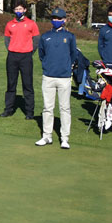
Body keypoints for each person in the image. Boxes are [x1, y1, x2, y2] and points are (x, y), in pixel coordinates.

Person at [36, 8, 77, 149]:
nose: (56, 20)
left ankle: (64, 138)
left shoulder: (70, 36)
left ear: (64, 20)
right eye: (54, 18)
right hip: (48, 76)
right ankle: (47, 136)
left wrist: (67, 67)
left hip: (64, 77)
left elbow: (73, 54)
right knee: (48, 108)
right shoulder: (45, 36)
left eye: (59, 18)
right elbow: (41, 54)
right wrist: (48, 65)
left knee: (64, 108)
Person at [0, 2, 40, 119]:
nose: (18, 10)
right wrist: (11, 49)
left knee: (27, 85)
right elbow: (7, 39)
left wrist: (29, 51)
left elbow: (36, 40)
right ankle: (8, 109)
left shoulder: (31, 24)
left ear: (25, 10)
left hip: (26, 57)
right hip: (12, 56)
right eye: (16, 9)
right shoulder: (9, 24)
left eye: (20, 9)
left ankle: (29, 112)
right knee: (11, 84)